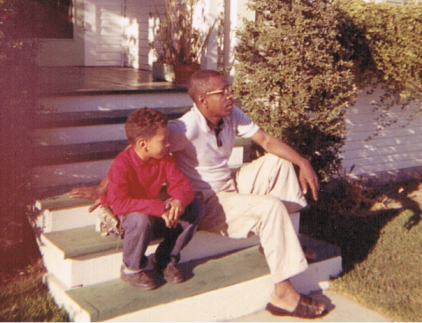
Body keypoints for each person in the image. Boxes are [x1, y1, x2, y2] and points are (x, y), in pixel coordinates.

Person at [70, 71, 326, 318]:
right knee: (270, 207)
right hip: (209, 202)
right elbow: (136, 146)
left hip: (230, 185)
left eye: (229, 89)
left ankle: (279, 243)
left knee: (279, 163)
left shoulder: (231, 114)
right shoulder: (183, 129)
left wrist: (302, 161)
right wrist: (104, 187)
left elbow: (267, 141)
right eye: (223, 92)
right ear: (203, 100)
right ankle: (283, 294)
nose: (230, 95)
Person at [103, 107, 203, 290]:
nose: (168, 145)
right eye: (163, 141)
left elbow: (182, 186)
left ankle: (164, 259)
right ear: (143, 144)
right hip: (124, 219)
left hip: (150, 214)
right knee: (140, 219)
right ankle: (131, 268)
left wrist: (177, 202)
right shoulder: (122, 164)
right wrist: (160, 208)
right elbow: (119, 204)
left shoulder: (165, 159)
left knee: (193, 206)